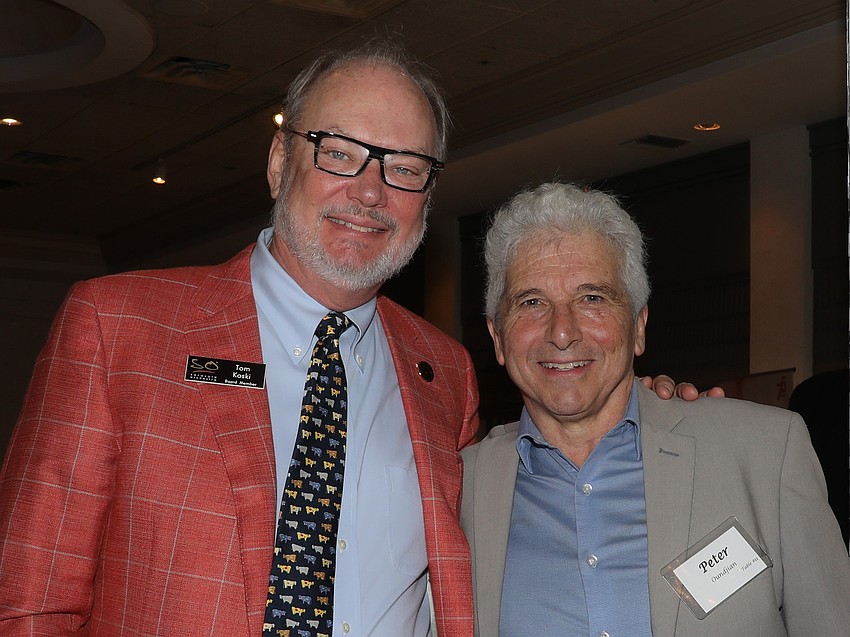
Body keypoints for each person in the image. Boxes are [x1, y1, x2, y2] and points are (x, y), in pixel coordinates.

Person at [0, 44, 701, 637]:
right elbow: (28, 599)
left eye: (403, 166)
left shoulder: (444, 370)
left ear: (427, 196)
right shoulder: (118, 324)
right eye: (339, 152)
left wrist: (644, 411)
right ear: (280, 160)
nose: (370, 191)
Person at [460, 182, 850, 636]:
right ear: (497, 338)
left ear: (639, 325)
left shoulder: (765, 453)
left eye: (592, 298)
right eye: (531, 302)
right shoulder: (460, 489)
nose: (562, 331)